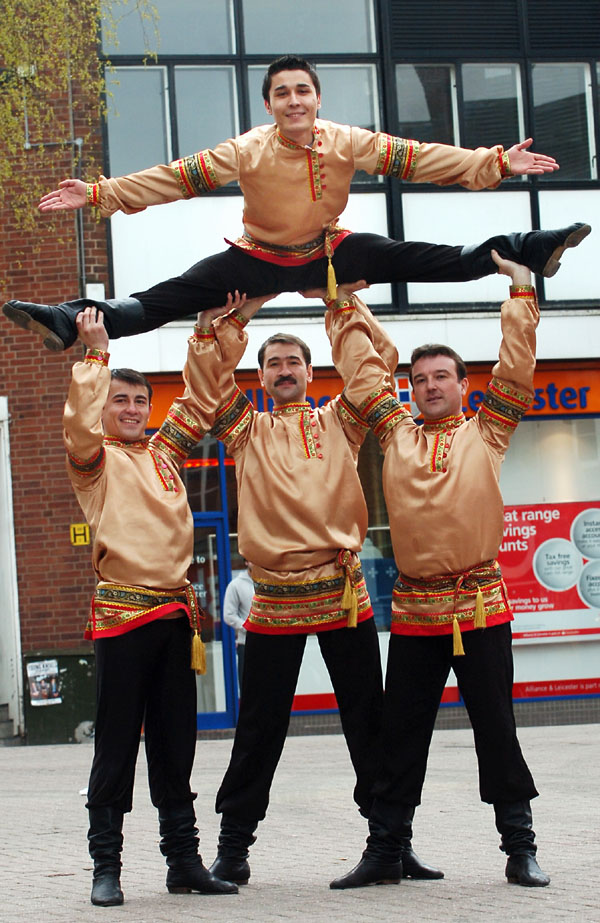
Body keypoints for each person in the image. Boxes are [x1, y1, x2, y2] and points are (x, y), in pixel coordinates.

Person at [2, 54, 589, 351]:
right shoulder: (247, 150)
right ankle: (66, 319)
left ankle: (532, 247)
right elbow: (176, 178)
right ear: (269, 106)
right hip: (256, 256)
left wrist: (494, 163)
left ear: (316, 97)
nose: (293, 100)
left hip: (327, 252)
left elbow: (418, 158)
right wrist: (101, 193)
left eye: (301, 90)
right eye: (281, 93)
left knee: (424, 258)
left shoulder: (347, 141)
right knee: (163, 300)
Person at [178, 289, 442, 887]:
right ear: (263, 376)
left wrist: (343, 303)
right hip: (273, 598)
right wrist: (222, 324)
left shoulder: (342, 421)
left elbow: (383, 355)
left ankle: (391, 844)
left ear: (311, 369)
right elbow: (205, 384)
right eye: (273, 363)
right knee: (259, 728)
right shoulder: (245, 430)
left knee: (367, 721)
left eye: (293, 361)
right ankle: (234, 848)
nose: (284, 370)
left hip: (341, 590)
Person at [319, 253, 553, 889]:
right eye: (419, 378)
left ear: (462, 385)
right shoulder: (393, 432)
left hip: (481, 607)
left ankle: (520, 847)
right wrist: (338, 300)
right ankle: (386, 850)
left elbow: (517, 365)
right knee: (401, 737)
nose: (428, 386)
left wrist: (522, 288)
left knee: (497, 731)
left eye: (441, 376)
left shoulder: (490, 430)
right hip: (418, 611)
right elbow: (364, 375)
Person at [64, 307, 239, 906]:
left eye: (140, 400)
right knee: (116, 744)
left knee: (176, 744)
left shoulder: (166, 453)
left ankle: (183, 862)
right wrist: (95, 355)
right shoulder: (94, 463)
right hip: (121, 618)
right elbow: (80, 428)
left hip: (175, 617)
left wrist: (214, 332)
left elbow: (198, 400)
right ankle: (105, 866)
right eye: (121, 401)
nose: (133, 409)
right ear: (104, 407)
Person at [222, 559, 252, 687]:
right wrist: (247, 627)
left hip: (269, 642)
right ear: (246, 562)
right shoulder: (236, 585)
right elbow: (228, 615)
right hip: (246, 644)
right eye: (251, 559)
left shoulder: (268, 583)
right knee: (248, 688)